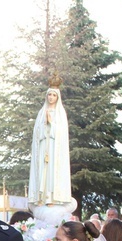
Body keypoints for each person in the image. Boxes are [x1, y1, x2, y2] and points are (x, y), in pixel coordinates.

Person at [29, 78, 72, 207]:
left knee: (53, 170)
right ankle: (41, 196)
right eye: (49, 94)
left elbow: (62, 133)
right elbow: (36, 132)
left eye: (54, 95)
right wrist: (44, 124)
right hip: (44, 145)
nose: (51, 97)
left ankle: (52, 197)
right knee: (43, 171)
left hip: (55, 147)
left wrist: (51, 123)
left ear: (58, 97)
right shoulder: (42, 112)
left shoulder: (60, 112)